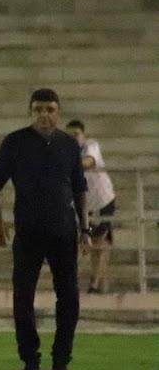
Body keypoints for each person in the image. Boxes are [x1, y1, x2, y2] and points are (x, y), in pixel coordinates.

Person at [0, 88, 88, 370]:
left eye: (50, 109)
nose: (44, 115)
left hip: (63, 230)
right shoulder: (15, 142)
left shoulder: (69, 145)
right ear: (30, 112)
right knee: (23, 296)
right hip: (28, 230)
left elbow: (80, 188)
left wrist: (85, 228)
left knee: (69, 297)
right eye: (39, 109)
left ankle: (61, 360)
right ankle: (30, 360)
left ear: (58, 112)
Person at [66, 119, 117, 294]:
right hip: (83, 204)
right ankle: (93, 283)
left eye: (76, 135)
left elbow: (88, 162)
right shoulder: (64, 152)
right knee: (86, 242)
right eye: (69, 136)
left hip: (103, 200)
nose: (73, 139)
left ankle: (95, 285)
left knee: (99, 242)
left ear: (83, 135)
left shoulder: (90, 145)